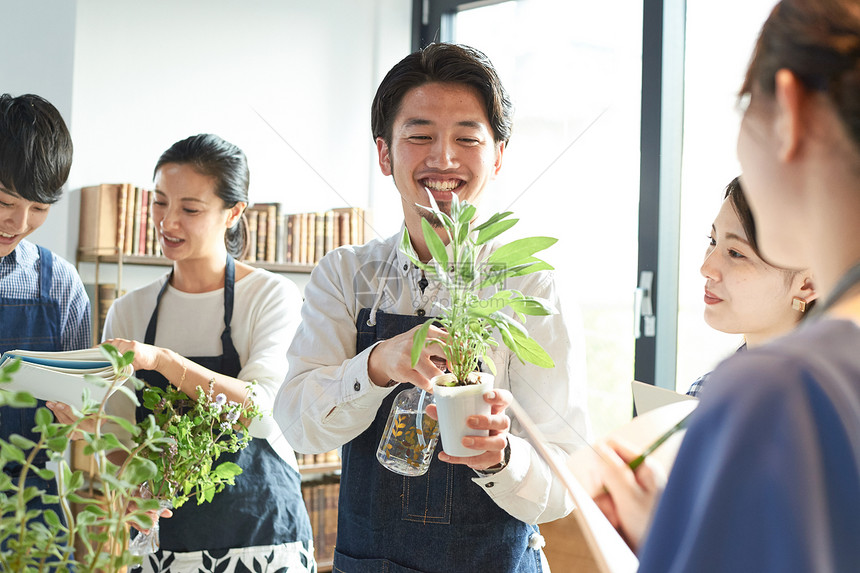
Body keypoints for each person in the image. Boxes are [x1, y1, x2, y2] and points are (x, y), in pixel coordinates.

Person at [275, 43, 589, 573]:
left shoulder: (531, 284)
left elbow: (568, 479)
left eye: (467, 138)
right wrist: (376, 366)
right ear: (384, 153)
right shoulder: (345, 275)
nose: (443, 159)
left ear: (498, 155)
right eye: (419, 135)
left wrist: (502, 459)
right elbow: (300, 429)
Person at [597, 1, 860, 570]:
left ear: (790, 113)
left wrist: (671, 540)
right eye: (711, 241)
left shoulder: (778, 389)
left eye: (746, 105)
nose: (709, 267)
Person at [97, 134, 314, 572]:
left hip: (263, 536)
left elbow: (259, 408)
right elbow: (117, 436)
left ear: (234, 213)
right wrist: (134, 488)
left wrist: (163, 361)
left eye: (190, 209)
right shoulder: (129, 310)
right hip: (163, 539)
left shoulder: (271, 296)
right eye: (160, 203)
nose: (168, 221)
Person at [0, 93, 90, 529]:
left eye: (38, 208)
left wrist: (80, 418)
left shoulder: (61, 286)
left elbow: (82, 418)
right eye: (4, 202)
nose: (18, 224)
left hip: (29, 514)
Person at [686, 175, 816, 397]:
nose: (706, 268)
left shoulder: (840, 407)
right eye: (713, 240)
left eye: (736, 253)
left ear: (808, 284)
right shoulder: (705, 394)